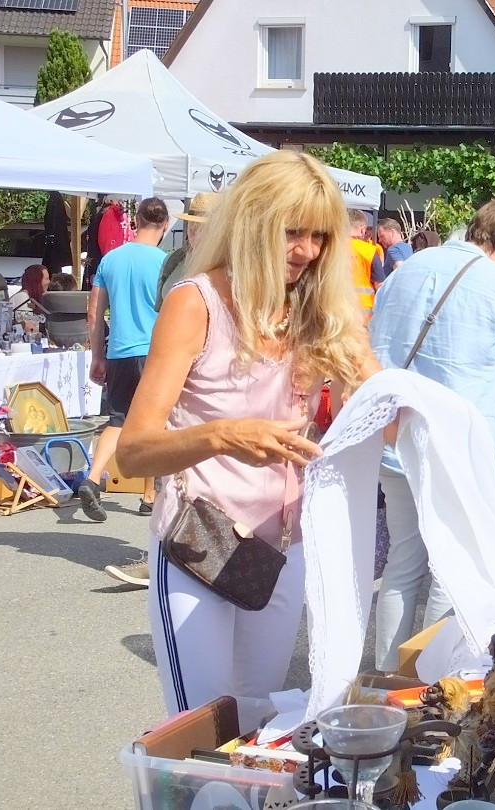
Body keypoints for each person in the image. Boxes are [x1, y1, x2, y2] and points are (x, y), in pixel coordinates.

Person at [114, 151, 379, 714]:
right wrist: (224, 435)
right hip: (198, 544)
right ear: (252, 221)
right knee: (202, 729)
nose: (305, 252)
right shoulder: (196, 304)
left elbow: (387, 406)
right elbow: (133, 452)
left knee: (260, 721)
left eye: (318, 237)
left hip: (284, 550)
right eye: (290, 232)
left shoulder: (319, 311)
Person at [369, 197, 495, 673]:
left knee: (404, 562)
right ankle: (431, 682)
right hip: (457, 446)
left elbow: (374, 341)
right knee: (455, 566)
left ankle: (389, 678)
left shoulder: (407, 266)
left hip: (396, 434)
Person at [79, 198, 170, 544]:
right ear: (165, 225)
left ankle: (92, 478)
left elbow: (94, 314)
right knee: (157, 422)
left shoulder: (111, 260)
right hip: (157, 351)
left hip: (119, 351)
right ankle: (150, 495)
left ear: (136, 222)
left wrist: (97, 357)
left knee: (118, 420)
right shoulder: (166, 263)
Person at [156, 192, 222, 311]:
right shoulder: (174, 260)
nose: (194, 232)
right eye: (191, 225)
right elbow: (160, 308)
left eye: (201, 227)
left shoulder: (227, 267)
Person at [348, 209, 386, 317]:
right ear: (362, 229)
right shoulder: (370, 251)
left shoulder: (329, 248)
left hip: (335, 310)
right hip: (363, 312)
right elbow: (380, 285)